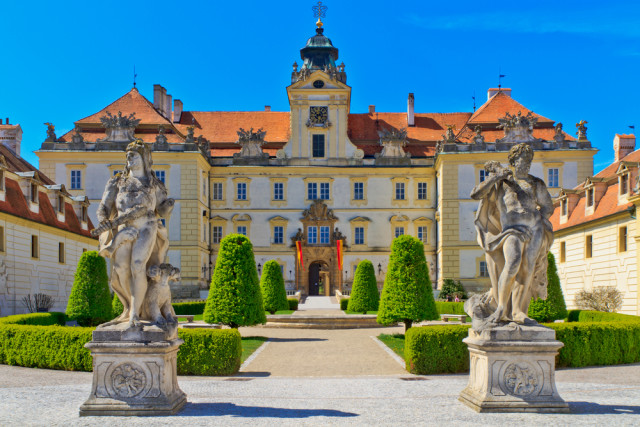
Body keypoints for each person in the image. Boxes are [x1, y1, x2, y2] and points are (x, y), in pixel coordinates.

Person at [91, 139, 174, 328]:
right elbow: (103, 206)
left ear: (144, 158)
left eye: (134, 155)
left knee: (138, 265)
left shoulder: (154, 184)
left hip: (147, 226)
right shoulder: (117, 181)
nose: (130, 158)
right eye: (128, 155)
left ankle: (135, 315)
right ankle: (129, 307)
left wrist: (168, 205)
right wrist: (104, 220)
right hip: (123, 228)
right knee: (120, 269)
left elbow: (161, 211)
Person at [470, 143, 553, 325]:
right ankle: (501, 307)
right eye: (523, 161)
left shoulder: (535, 183)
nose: (527, 165)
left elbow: (547, 206)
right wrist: (495, 177)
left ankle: (518, 312)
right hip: (510, 231)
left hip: (535, 229)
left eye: (529, 161)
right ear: (514, 161)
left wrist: (536, 219)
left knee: (527, 268)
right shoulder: (502, 182)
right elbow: (476, 194)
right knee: (513, 263)